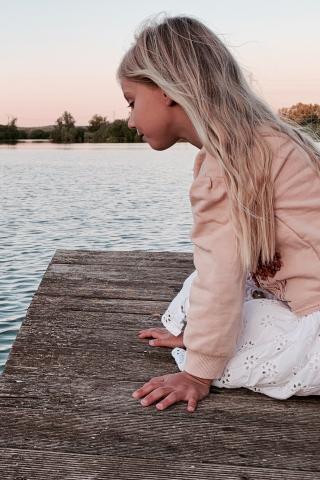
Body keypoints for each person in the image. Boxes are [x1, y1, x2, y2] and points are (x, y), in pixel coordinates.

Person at [117, 14, 320, 413]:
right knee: (200, 287)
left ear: (166, 91)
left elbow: (221, 273)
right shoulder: (258, 141)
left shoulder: (228, 162)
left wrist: (198, 372)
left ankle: (205, 347)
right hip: (297, 295)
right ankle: (206, 338)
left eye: (131, 102)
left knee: (215, 306)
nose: (129, 120)